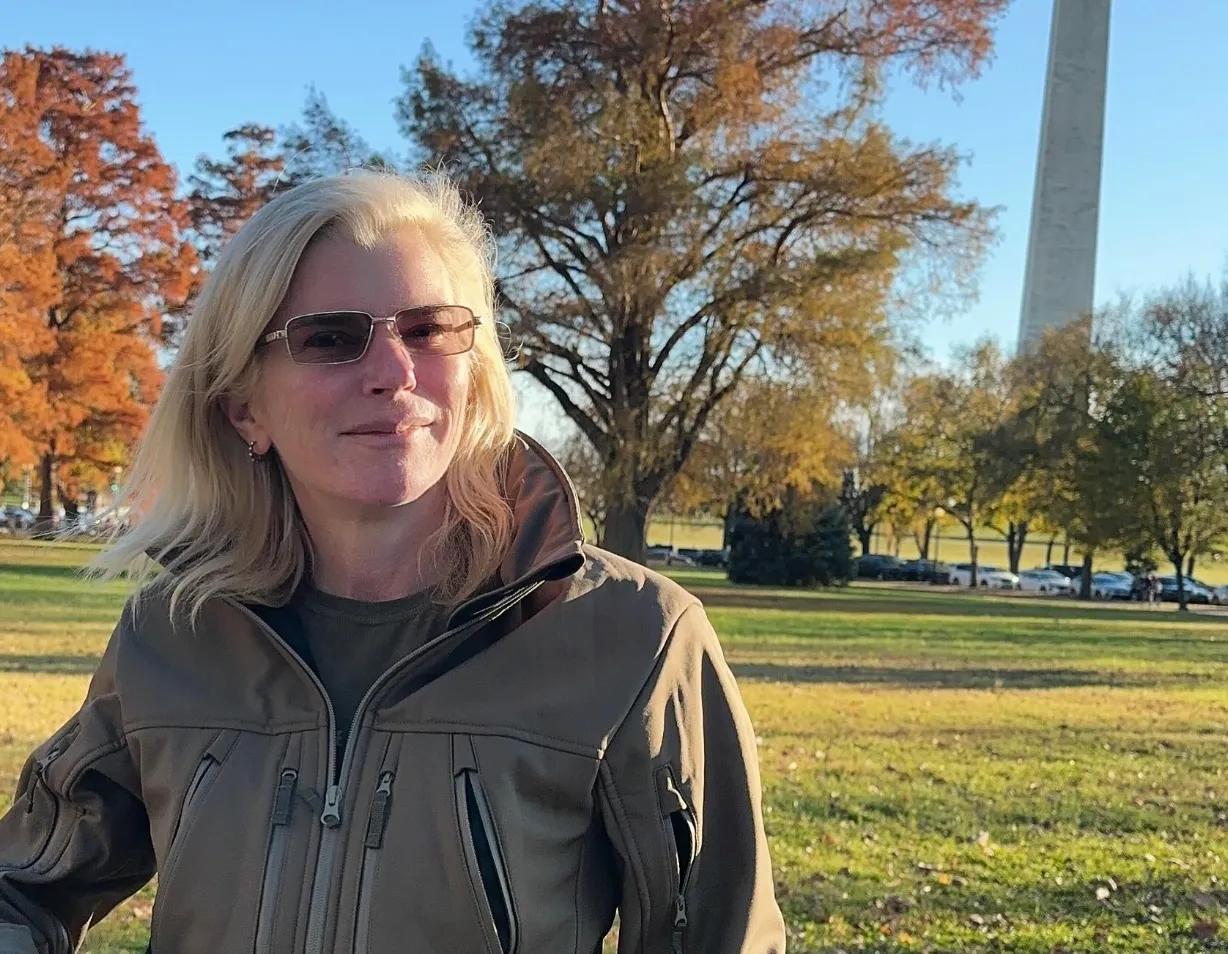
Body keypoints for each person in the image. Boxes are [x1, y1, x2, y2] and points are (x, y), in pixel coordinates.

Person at [0, 171, 784, 954]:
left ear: (476, 374)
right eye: (330, 338)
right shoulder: (171, 632)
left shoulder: (635, 636)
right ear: (245, 408)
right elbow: (24, 889)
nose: (394, 372)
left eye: (429, 330)